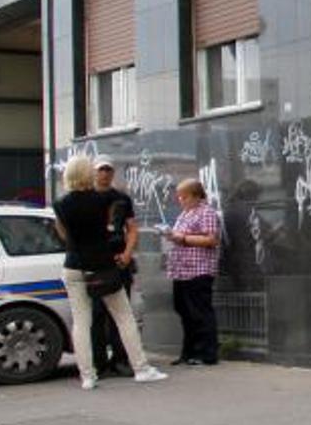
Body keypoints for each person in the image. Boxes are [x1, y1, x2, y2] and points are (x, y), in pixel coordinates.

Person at [53, 154, 167, 390]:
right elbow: (110, 229)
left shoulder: (60, 204)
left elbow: (62, 232)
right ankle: (141, 368)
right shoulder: (103, 200)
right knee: (124, 317)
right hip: (102, 264)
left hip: (73, 265)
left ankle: (87, 376)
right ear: (89, 174)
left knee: (81, 322)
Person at [165, 178, 221, 366]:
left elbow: (211, 240)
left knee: (200, 312)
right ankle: (188, 352)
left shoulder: (206, 212)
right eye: (179, 197)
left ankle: (206, 353)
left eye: (184, 197)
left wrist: (182, 238)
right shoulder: (185, 214)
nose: (180, 200)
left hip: (199, 270)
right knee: (184, 310)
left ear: (196, 196)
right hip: (181, 271)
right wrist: (171, 235)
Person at [90, 156, 138, 378]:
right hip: (95, 262)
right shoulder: (86, 198)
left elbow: (132, 228)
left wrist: (127, 254)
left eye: (108, 170)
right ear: (94, 172)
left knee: (120, 312)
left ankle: (120, 359)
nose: (105, 174)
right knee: (96, 313)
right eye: (101, 170)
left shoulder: (122, 199)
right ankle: (98, 362)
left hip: (118, 260)